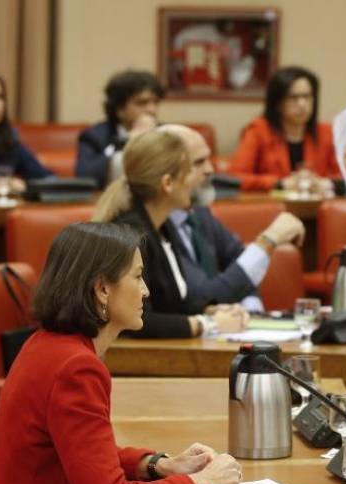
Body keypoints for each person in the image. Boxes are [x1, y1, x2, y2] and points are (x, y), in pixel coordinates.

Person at [0, 221, 241, 484]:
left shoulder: (46, 344)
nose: (145, 291)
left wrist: (156, 465)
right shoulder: (76, 368)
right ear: (101, 288)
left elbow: (78, 453)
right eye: (138, 277)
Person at [92, 129, 249, 338]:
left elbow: (172, 303)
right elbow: (137, 321)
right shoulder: (131, 233)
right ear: (167, 183)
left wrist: (211, 311)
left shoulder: (163, 227)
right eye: (188, 172)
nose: (194, 181)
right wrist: (206, 323)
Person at [160, 124, 305, 312]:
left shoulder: (199, 213)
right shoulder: (154, 227)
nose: (210, 169)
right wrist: (269, 240)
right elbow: (204, 296)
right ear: (166, 175)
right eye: (198, 162)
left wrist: (251, 311)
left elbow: (242, 266)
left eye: (209, 160)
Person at [228, 66, 342, 193]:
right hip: (273, 209)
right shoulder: (259, 130)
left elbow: (345, 178)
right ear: (277, 102)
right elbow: (234, 177)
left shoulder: (326, 132)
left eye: (307, 97)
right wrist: (279, 183)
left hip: (316, 207)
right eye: (294, 98)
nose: (302, 104)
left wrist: (325, 184)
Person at [76, 69, 166, 189]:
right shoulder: (94, 136)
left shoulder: (167, 132)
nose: (152, 110)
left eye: (155, 102)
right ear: (119, 109)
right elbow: (85, 178)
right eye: (142, 103)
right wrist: (128, 142)